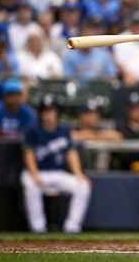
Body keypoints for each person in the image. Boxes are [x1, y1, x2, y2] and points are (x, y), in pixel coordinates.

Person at [21, 95, 91, 233]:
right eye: (45, 111)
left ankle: (72, 227)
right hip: (37, 172)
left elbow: (71, 153)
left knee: (83, 185)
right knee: (30, 183)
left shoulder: (64, 130)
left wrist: (78, 173)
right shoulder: (32, 130)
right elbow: (28, 154)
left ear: (56, 112)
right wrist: (34, 174)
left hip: (57, 173)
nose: (48, 114)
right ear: (40, 113)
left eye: (51, 111)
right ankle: (38, 227)